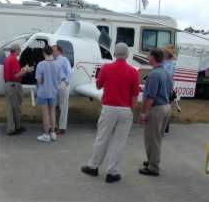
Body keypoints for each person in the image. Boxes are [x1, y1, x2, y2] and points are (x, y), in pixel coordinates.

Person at [81, 43, 140, 183]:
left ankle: (93, 166)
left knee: (102, 138)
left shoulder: (106, 68)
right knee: (119, 142)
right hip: (125, 109)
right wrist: (132, 110)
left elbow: (98, 85)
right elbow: (134, 95)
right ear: (127, 55)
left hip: (108, 107)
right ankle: (112, 172)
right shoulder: (133, 71)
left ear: (114, 54)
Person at [138, 48, 173, 176]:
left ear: (153, 58)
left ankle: (153, 167)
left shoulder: (154, 74)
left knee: (152, 138)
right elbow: (170, 90)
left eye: (149, 55)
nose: (148, 57)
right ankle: (152, 160)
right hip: (166, 107)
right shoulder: (165, 72)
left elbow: (150, 97)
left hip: (157, 109)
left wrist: (143, 113)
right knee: (157, 137)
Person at [3, 43, 32, 135]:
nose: (20, 51)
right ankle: (15, 128)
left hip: (8, 85)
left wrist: (22, 70)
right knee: (16, 108)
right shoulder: (14, 60)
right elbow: (16, 75)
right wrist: (25, 71)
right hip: (14, 85)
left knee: (10, 108)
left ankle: (12, 127)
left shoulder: (7, 59)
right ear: (16, 50)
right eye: (19, 49)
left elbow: (12, 73)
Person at [36, 45, 61, 143]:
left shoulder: (40, 64)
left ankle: (46, 134)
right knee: (52, 113)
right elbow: (59, 79)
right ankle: (53, 133)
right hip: (53, 91)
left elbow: (39, 80)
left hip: (43, 92)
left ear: (44, 53)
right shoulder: (57, 65)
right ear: (51, 52)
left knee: (45, 114)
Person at [52, 45, 72, 135]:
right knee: (55, 106)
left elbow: (69, 71)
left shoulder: (64, 59)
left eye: (54, 50)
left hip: (63, 83)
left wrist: (66, 82)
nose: (52, 52)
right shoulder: (53, 60)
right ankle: (55, 125)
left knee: (63, 107)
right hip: (56, 85)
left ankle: (62, 128)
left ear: (59, 51)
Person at [163, 45, 176, 134]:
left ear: (169, 54)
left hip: (168, 87)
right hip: (162, 86)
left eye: (166, 52)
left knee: (166, 107)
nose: (164, 53)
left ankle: (165, 127)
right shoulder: (163, 62)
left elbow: (171, 75)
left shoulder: (172, 63)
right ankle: (162, 126)